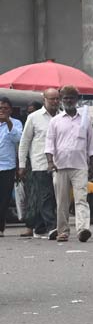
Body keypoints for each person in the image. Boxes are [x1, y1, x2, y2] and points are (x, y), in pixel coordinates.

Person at [46, 85, 93, 243]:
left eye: (71, 98)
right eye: (65, 98)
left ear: (77, 100)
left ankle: (82, 229)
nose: (68, 100)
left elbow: (91, 146)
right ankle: (63, 231)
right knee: (62, 202)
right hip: (61, 167)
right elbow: (49, 144)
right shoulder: (55, 121)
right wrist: (49, 162)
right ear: (61, 100)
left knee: (81, 199)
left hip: (80, 166)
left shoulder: (85, 120)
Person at [18, 88, 59, 238]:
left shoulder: (62, 117)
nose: (55, 102)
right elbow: (24, 142)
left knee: (55, 197)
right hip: (40, 163)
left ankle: (40, 227)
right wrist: (22, 165)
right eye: (51, 99)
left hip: (59, 164)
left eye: (57, 99)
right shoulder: (34, 117)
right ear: (44, 100)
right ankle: (51, 227)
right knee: (45, 196)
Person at [0, 97, 23, 237]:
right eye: (0, 108)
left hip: (7, 167)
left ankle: (0, 227)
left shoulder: (16, 123)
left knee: (4, 199)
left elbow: (18, 139)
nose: (2, 111)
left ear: (10, 110)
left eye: (5, 108)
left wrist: (8, 122)